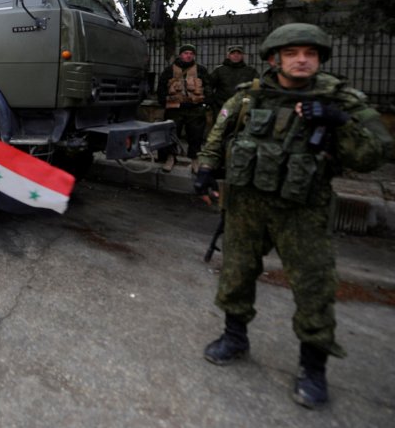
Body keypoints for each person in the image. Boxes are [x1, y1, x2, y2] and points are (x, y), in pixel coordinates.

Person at [194, 23, 391, 410]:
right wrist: (203, 172)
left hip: (302, 210)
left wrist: (337, 120)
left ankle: (313, 368)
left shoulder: (340, 99)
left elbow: (373, 154)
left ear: (319, 60)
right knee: (236, 272)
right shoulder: (248, 97)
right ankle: (234, 336)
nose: (302, 60)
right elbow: (217, 137)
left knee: (314, 286)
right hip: (247, 206)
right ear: (274, 59)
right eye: (292, 53)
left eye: (310, 54)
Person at [157, 44, 210, 172]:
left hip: (195, 108)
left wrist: (205, 102)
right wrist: (164, 102)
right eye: (186, 53)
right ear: (180, 54)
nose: (188, 55)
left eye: (191, 53)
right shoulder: (169, 70)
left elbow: (208, 86)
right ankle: (171, 157)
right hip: (175, 108)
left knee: (196, 136)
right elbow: (161, 87)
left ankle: (195, 159)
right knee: (172, 134)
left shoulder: (201, 70)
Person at [208, 45, 259, 115]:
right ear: (228, 55)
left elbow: (257, 87)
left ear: (243, 56)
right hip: (222, 107)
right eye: (233, 53)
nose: (236, 55)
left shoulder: (250, 71)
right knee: (222, 124)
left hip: (242, 108)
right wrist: (212, 102)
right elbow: (208, 86)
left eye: (239, 53)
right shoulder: (219, 70)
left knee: (240, 125)